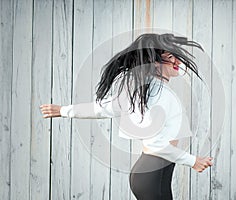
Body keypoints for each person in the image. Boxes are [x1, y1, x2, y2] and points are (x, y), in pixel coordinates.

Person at [40, 33, 213, 200]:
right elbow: (156, 144)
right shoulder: (160, 95)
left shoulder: (141, 92)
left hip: (146, 174)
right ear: (154, 62)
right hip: (154, 176)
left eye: (176, 56)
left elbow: (103, 109)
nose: (177, 61)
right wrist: (193, 161)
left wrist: (63, 110)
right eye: (170, 56)